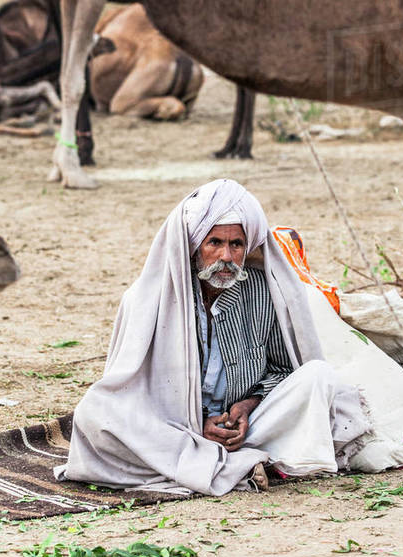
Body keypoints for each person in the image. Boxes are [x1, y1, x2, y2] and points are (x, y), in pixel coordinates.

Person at [56, 178, 372, 496]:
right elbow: (131, 392)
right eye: (215, 243)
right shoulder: (145, 300)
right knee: (96, 414)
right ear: (194, 247)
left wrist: (246, 408)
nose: (226, 256)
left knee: (318, 376)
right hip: (174, 430)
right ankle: (235, 462)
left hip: (247, 427)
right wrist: (198, 423)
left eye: (236, 245)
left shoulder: (264, 292)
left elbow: (283, 370)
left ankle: (228, 459)